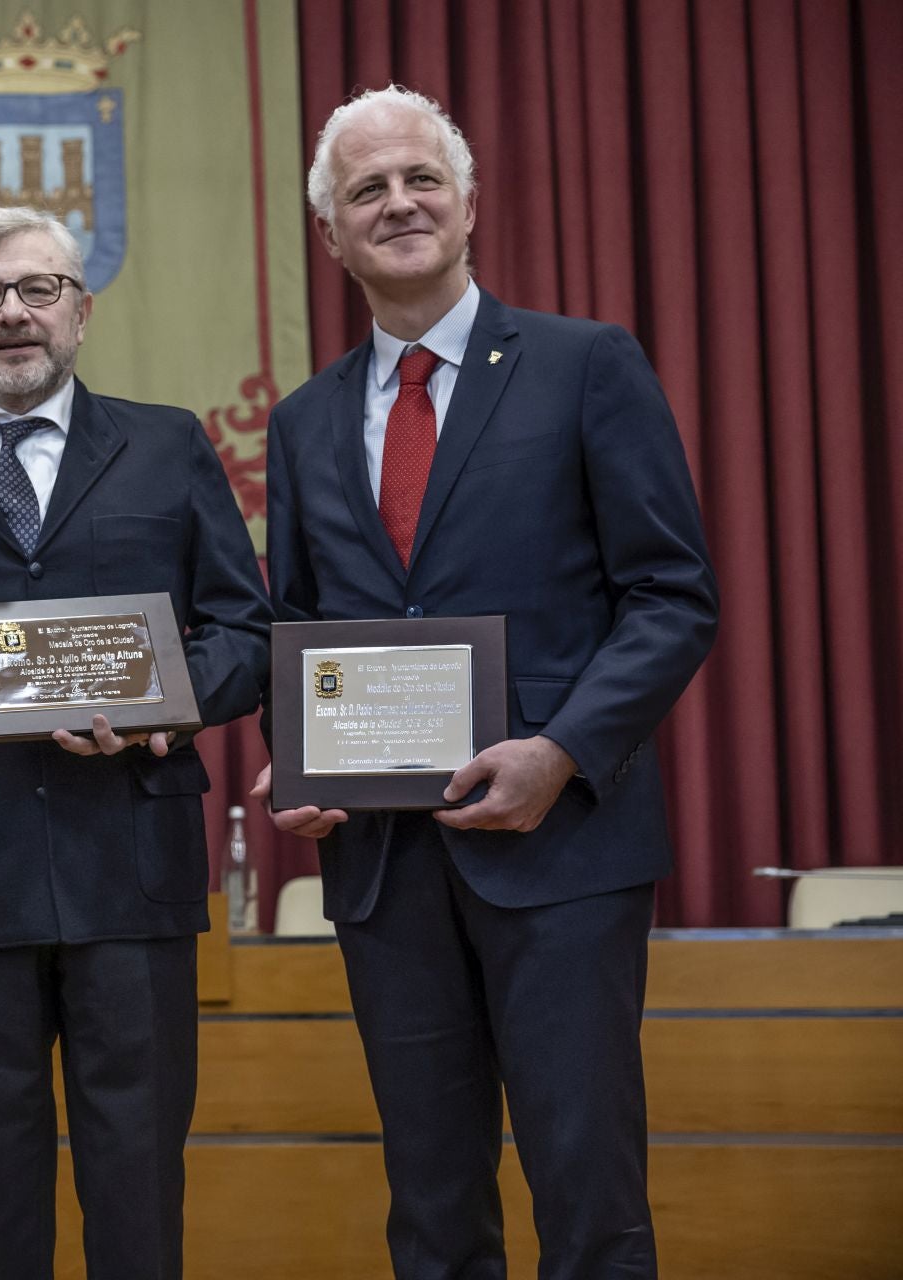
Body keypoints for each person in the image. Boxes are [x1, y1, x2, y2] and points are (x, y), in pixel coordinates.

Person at [254, 86, 719, 1279]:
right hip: (387, 868)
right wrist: (298, 752)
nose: (399, 201)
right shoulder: (305, 421)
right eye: (368, 189)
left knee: (589, 1185)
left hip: (560, 852)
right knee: (431, 1200)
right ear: (331, 235)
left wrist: (559, 749)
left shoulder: (583, 363)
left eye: (422, 180)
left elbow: (672, 595)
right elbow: (304, 620)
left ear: (468, 206)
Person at [0, 207, 271, 1280]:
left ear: (81, 311)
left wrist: (161, 705)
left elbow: (247, 633)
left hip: (130, 862)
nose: (13, 314)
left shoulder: (169, 442)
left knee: (137, 1177)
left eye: (38, 290)